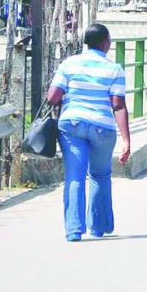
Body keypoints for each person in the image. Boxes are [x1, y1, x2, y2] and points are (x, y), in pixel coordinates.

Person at [47, 23, 132, 242]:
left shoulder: (69, 63)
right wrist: (126, 140)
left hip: (72, 124)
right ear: (105, 43)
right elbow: (118, 105)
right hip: (102, 127)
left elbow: (52, 97)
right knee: (100, 175)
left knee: (74, 176)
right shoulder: (114, 69)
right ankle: (97, 227)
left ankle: (74, 230)